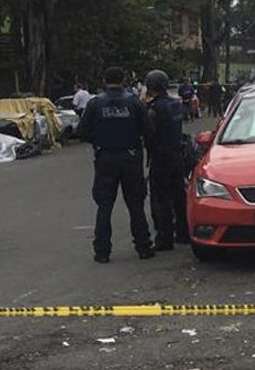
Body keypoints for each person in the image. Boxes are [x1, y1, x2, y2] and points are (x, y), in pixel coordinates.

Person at [77, 66, 155, 263]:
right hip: (130, 156)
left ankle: (102, 251)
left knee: (104, 207)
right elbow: (148, 129)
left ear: (104, 80)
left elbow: (83, 131)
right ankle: (143, 247)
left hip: (105, 157)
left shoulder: (96, 104)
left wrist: (100, 141)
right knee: (135, 204)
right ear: (124, 80)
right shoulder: (134, 102)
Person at [143, 70, 189, 251]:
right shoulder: (175, 104)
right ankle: (184, 232)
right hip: (176, 155)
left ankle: (165, 237)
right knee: (179, 196)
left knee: (161, 199)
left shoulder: (154, 109)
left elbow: (149, 132)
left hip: (160, 157)